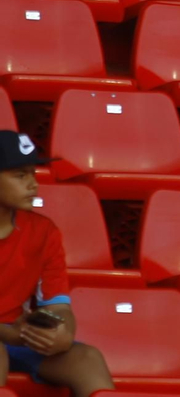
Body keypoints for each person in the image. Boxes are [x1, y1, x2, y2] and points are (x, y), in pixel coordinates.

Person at [0, 132, 114, 397]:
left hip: (18, 338)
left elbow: (58, 305)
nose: (33, 185)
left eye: (34, 174)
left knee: (87, 359)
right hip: (9, 337)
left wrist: (63, 333)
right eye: (20, 175)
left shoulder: (44, 232)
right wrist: (7, 335)